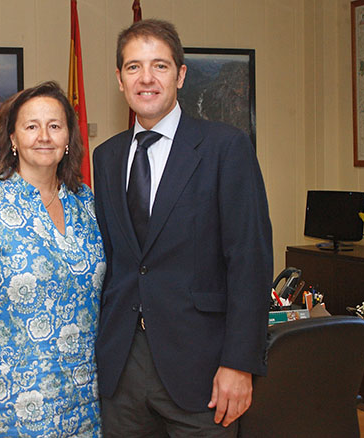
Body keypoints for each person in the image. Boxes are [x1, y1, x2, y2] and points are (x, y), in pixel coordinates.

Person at [92, 19, 273, 437]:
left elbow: (250, 260)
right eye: (134, 67)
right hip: (122, 371)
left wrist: (240, 363)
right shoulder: (107, 157)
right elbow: (117, 262)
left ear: (181, 75)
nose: (147, 78)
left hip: (204, 371)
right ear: (119, 79)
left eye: (160, 65)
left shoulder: (226, 148)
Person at [0, 81, 106, 438]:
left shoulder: (87, 204)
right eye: (31, 126)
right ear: (12, 138)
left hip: (86, 401)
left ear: (68, 139)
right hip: (11, 404)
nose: (44, 135)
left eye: (55, 126)